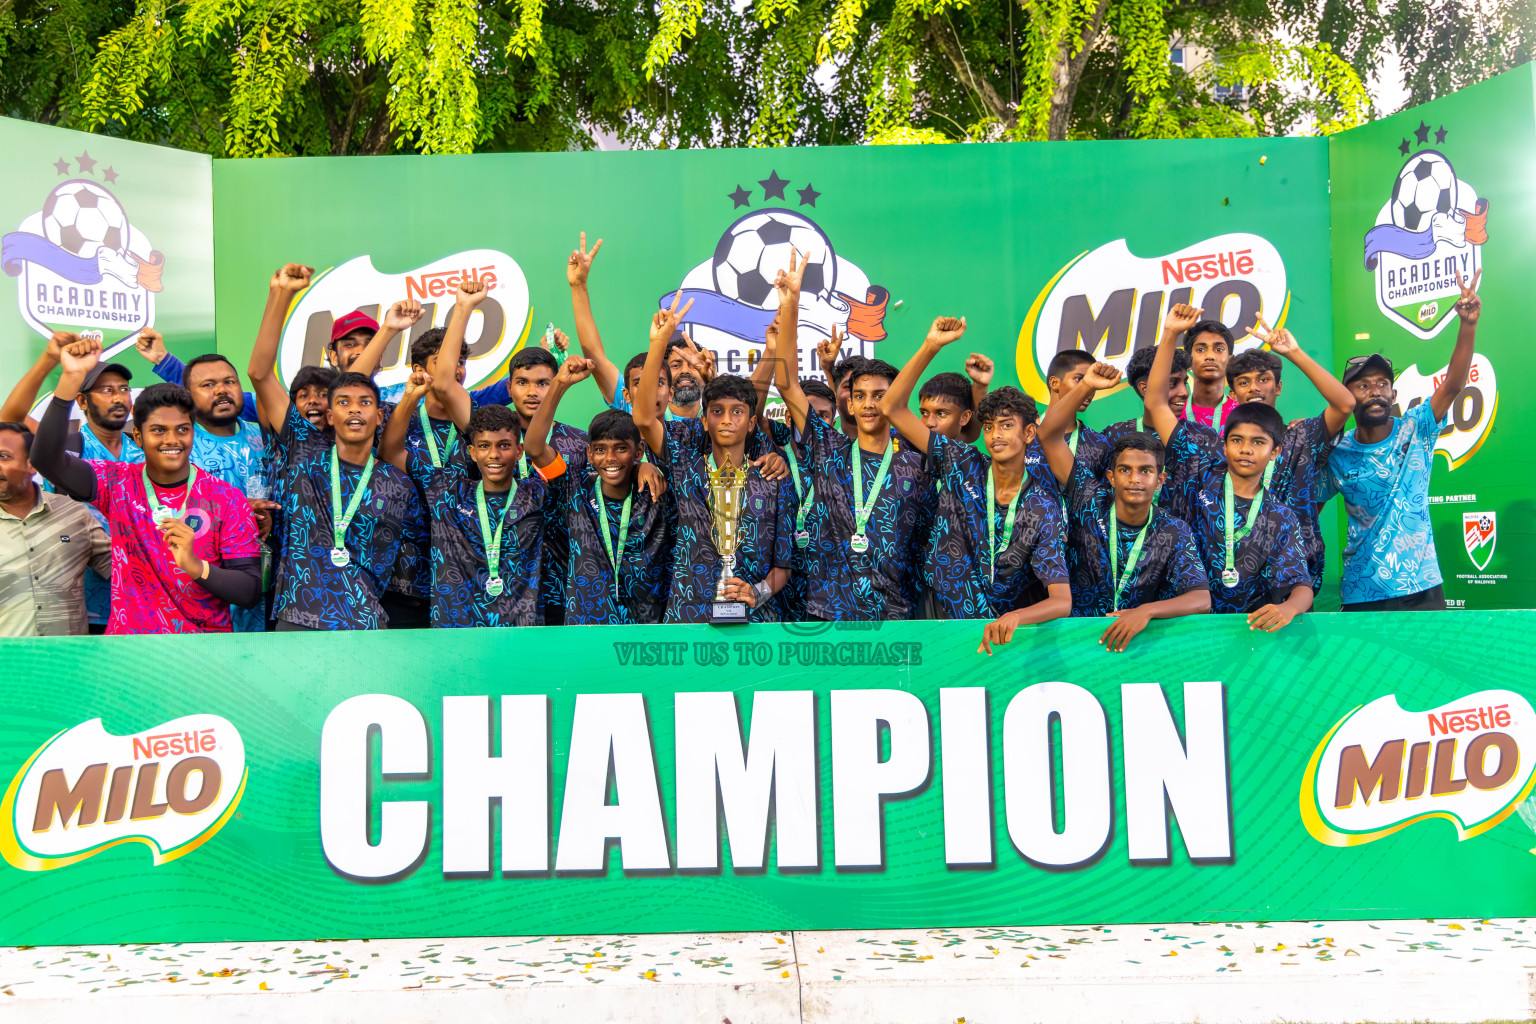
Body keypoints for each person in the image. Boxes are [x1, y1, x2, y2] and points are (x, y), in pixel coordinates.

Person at [31, 337, 262, 634]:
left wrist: (195, 566)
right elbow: (46, 459)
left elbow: (249, 590)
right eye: (158, 431)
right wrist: (70, 380)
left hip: (204, 653)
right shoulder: (116, 482)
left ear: (193, 433)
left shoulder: (227, 498)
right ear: (138, 438)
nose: (171, 440)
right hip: (132, 654)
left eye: (182, 429)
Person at [879, 317, 1070, 637]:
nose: (996, 434)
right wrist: (932, 346)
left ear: (1029, 432)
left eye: (1007, 425)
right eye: (990, 426)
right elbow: (892, 407)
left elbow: (1061, 600)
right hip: (936, 615)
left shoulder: (1041, 506)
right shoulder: (962, 460)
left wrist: (1017, 618)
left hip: (994, 627)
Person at [774, 251, 934, 621]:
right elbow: (786, 383)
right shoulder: (828, 449)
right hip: (827, 616)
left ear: (896, 400)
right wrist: (793, 302)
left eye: (880, 395)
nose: (867, 404)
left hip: (896, 618)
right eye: (859, 395)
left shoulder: (918, 465)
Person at [1326, 270, 1481, 611]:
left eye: (1382, 384)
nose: (1375, 392)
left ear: (1393, 393)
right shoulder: (1337, 451)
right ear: (1348, 396)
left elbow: (1454, 384)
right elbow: (1303, 505)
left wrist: (1467, 325)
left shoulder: (1417, 426)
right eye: (1363, 385)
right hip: (1362, 589)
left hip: (1421, 585)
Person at [636, 296, 794, 623]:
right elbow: (643, 418)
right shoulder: (685, 461)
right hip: (688, 613)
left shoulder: (774, 477)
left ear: (751, 422)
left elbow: (783, 565)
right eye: (717, 412)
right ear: (704, 420)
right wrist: (658, 344)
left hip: (756, 621)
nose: (726, 420)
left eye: (737, 413)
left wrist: (758, 592)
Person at [1038, 361, 1210, 651]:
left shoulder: (1173, 529)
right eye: (1125, 470)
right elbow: (1048, 435)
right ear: (1111, 477)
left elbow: (1201, 599)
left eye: (1145, 471)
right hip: (1077, 642)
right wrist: (1086, 385)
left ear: (1160, 480)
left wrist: (1146, 611)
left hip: (1140, 647)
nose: (1135, 479)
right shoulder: (1088, 498)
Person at [380, 368, 566, 627]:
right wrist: (410, 398)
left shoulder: (537, 493)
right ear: (472, 452)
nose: (494, 455)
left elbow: (545, 456)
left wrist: (558, 386)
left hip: (520, 633)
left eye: (504, 445)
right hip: (456, 631)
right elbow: (390, 451)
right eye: (484, 446)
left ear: (519, 450)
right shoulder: (447, 490)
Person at [1143, 368, 1313, 629]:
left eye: (1258, 442)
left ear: (1275, 452)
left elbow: (1301, 586)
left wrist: (1289, 608)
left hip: (1244, 633)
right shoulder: (1198, 473)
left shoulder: (1280, 515)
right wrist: (1170, 334)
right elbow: (1155, 402)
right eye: (1237, 440)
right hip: (1180, 627)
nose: (1245, 449)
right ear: (1224, 445)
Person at [2, 331, 143, 632]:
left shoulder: (145, 454)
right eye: (106, 390)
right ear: (81, 400)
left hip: (140, 607)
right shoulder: (64, 448)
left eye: (124, 389)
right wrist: (49, 360)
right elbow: (11, 418)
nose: (118, 397)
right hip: (85, 609)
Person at [526, 373, 671, 626]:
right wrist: (559, 384)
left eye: (621, 449)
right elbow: (535, 447)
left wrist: (644, 466)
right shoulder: (574, 489)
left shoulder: (657, 492)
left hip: (646, 630)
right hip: (586, 625)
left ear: (638, 451)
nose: (610, 458)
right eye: (601, 450)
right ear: (589, 454)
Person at [1225, 315, 1357, 591]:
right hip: (1235, 578)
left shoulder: (1302, 437)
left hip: (1293, 577)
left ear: (1279, 387)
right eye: (1244, 382)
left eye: (1263, 379)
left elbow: (1345, 404)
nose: (1254, 388)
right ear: (1233, 393)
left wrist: (1293, 353)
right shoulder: (1223, 448)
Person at [0, 422, 112, 636]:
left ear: (31, 464)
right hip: (8, 665)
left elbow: (125, 572)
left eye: (4, 456)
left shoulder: (74, 515)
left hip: (69, 664)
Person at [1032, 349, 1109, 475]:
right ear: (1054, 383)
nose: (1089, 388)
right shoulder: (1022, 435)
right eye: (1080, 379)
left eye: (1093, 381)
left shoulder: (1100, 443)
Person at [1182, 319, 1239, 432]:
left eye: (1219, 349)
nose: (1210, 356)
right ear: (1188, 360)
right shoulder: (1174, 412)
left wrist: (1286, 353)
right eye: (1200, 349)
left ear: (1230, 360)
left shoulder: (1242, 414)